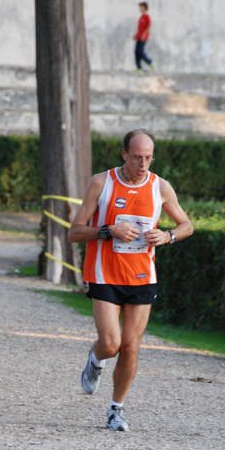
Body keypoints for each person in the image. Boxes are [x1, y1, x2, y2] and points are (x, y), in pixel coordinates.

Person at [68, 129, 194, 432]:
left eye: (148, 157)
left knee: (131, 348)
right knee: (111, 344)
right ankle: (96, 358)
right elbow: (75, 232)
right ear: (124, 154)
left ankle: (116, 410)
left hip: (142, 276)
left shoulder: (160, 187)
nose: (143, 163)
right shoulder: (102, 182)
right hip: (105, 274)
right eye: (137, 157)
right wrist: (108, 230)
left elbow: (187, 224)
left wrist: (167, 235)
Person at [134, 2, 155, 73]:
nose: (140, 8)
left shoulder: (146, 16)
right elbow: (140, 29)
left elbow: (149, 26)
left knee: (140, 52)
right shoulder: (141, 17)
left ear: (145, 8)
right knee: (136, 52)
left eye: (142, 7)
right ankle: (139, 68)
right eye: (140, 7)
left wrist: (144, 34)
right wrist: (136, 35)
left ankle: (150, 62)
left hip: (143, 38)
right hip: (139, 37)